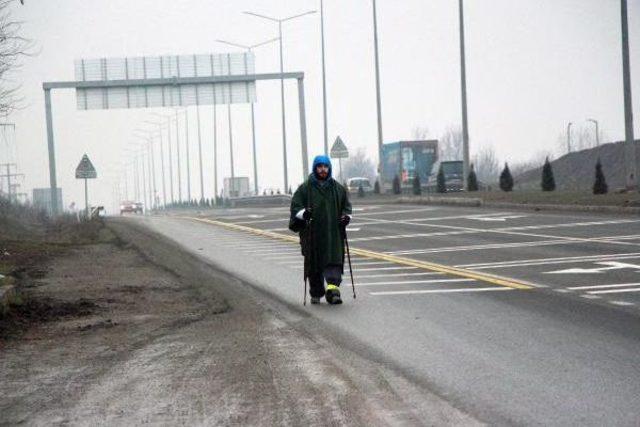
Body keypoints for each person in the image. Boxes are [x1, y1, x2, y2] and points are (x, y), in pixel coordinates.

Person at [290, 155, 352, 305]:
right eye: (320, 167)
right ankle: (316, 292)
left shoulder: (338, 189)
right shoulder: (305, 188)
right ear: (315, 168)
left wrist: (346, 217)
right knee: (314, 263)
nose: (323, 169)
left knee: (333, 261)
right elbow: (295, 206)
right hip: (312, 234)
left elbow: (347, 207)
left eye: (325, 166)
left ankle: (333, 291)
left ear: (329, 168)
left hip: (333, 235)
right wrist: (304, 213)